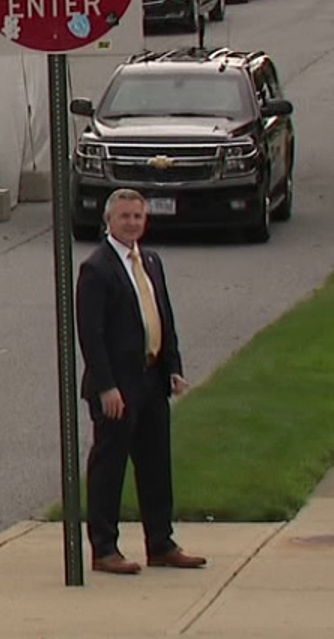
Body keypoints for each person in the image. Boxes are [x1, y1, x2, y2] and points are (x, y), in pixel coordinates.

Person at [75, 188, 205, 575]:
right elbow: (91, 334)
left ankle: (161, 543)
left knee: (155, 465)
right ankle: (104, 549)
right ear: (109, 220)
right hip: (116, 387)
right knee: (110, 466)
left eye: (137, 216)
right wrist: (106, 386)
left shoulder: (150, 261)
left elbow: (162, 316)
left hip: (151, 379)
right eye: (124, 216)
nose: (131, 223)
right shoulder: (97, 268)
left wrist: (173, 366)